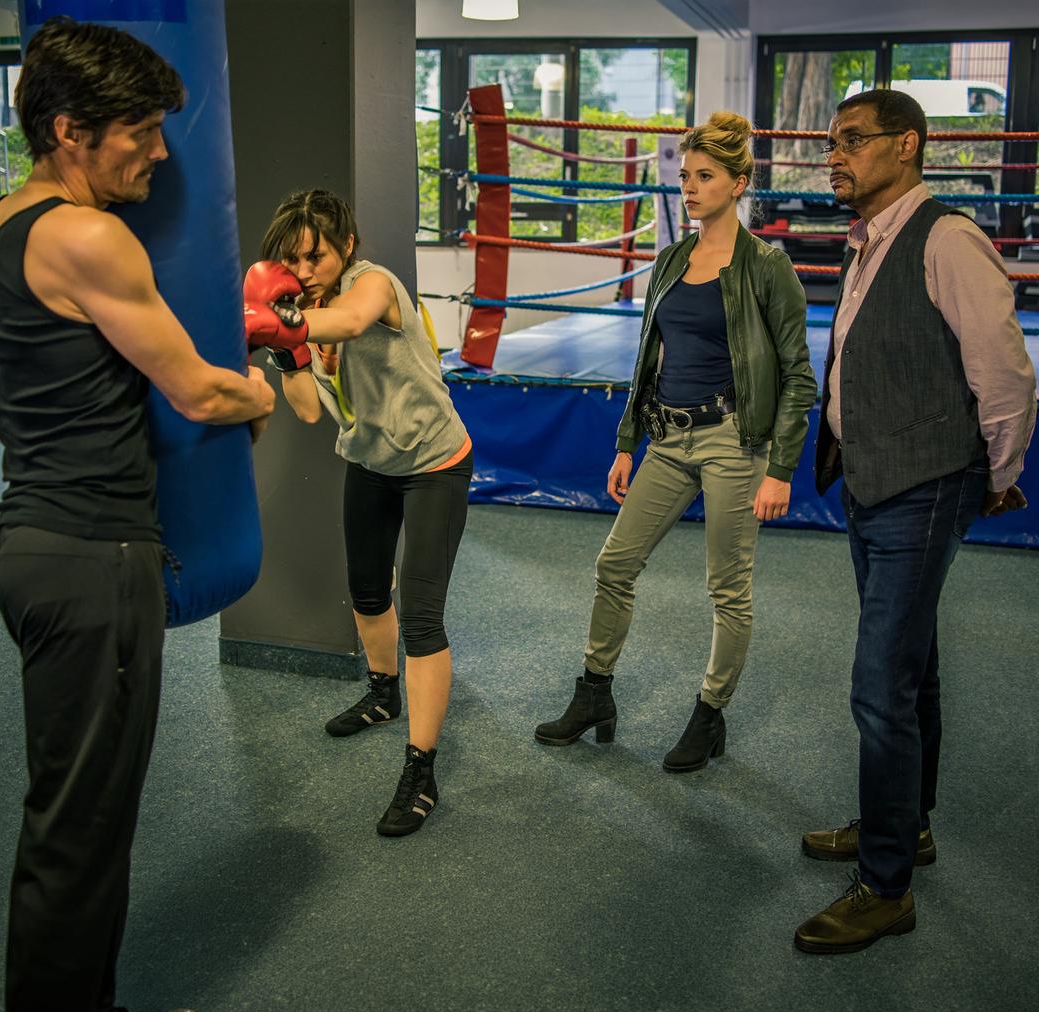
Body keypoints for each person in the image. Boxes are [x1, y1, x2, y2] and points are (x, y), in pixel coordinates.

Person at [0, 18, 275, 1012]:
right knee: (76, 836)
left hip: (32, 544)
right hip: (96, 560)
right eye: (138, 130)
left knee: (79, 821)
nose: (161, 152)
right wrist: (261, 387)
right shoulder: (90, 239)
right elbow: (194, 387)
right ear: (68, 131)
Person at [793, 89, 1035, 954]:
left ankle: (886, 884)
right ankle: (908, 824)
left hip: (926, 483)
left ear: (908, 146)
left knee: (879, 685)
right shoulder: (871, 240)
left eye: (852, 141)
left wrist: (995, 476)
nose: (835, 156)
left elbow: (1005, 375)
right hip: (875, 479)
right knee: (913, 667)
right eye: (833, 143)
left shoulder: (947, 238)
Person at [533, 111, 816, 772]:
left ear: (739, 183)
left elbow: (800, 376)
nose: (690, 187)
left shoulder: (767, 268)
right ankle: (595, 694)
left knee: (727, 588)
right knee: (614, 564)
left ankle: (710, 713)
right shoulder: (669, 261)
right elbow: (647, 361)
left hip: (732, 441)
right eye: (685, 176)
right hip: (667, 436)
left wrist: (780, 467)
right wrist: (626, 443)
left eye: (705, 176)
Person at [243, 189, 472, 838]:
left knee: (422, 617)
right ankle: (382, 691)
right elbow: (312, 411)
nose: (305, 268)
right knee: (368, 594)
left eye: (315, 254)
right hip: (370, 462)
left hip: (434, 464)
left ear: (345, 244)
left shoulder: (374, 285)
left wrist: (280, 323)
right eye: (293, 259)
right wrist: (287, 351)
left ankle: (420, 769)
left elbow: (347, 322)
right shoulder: (304, 312)